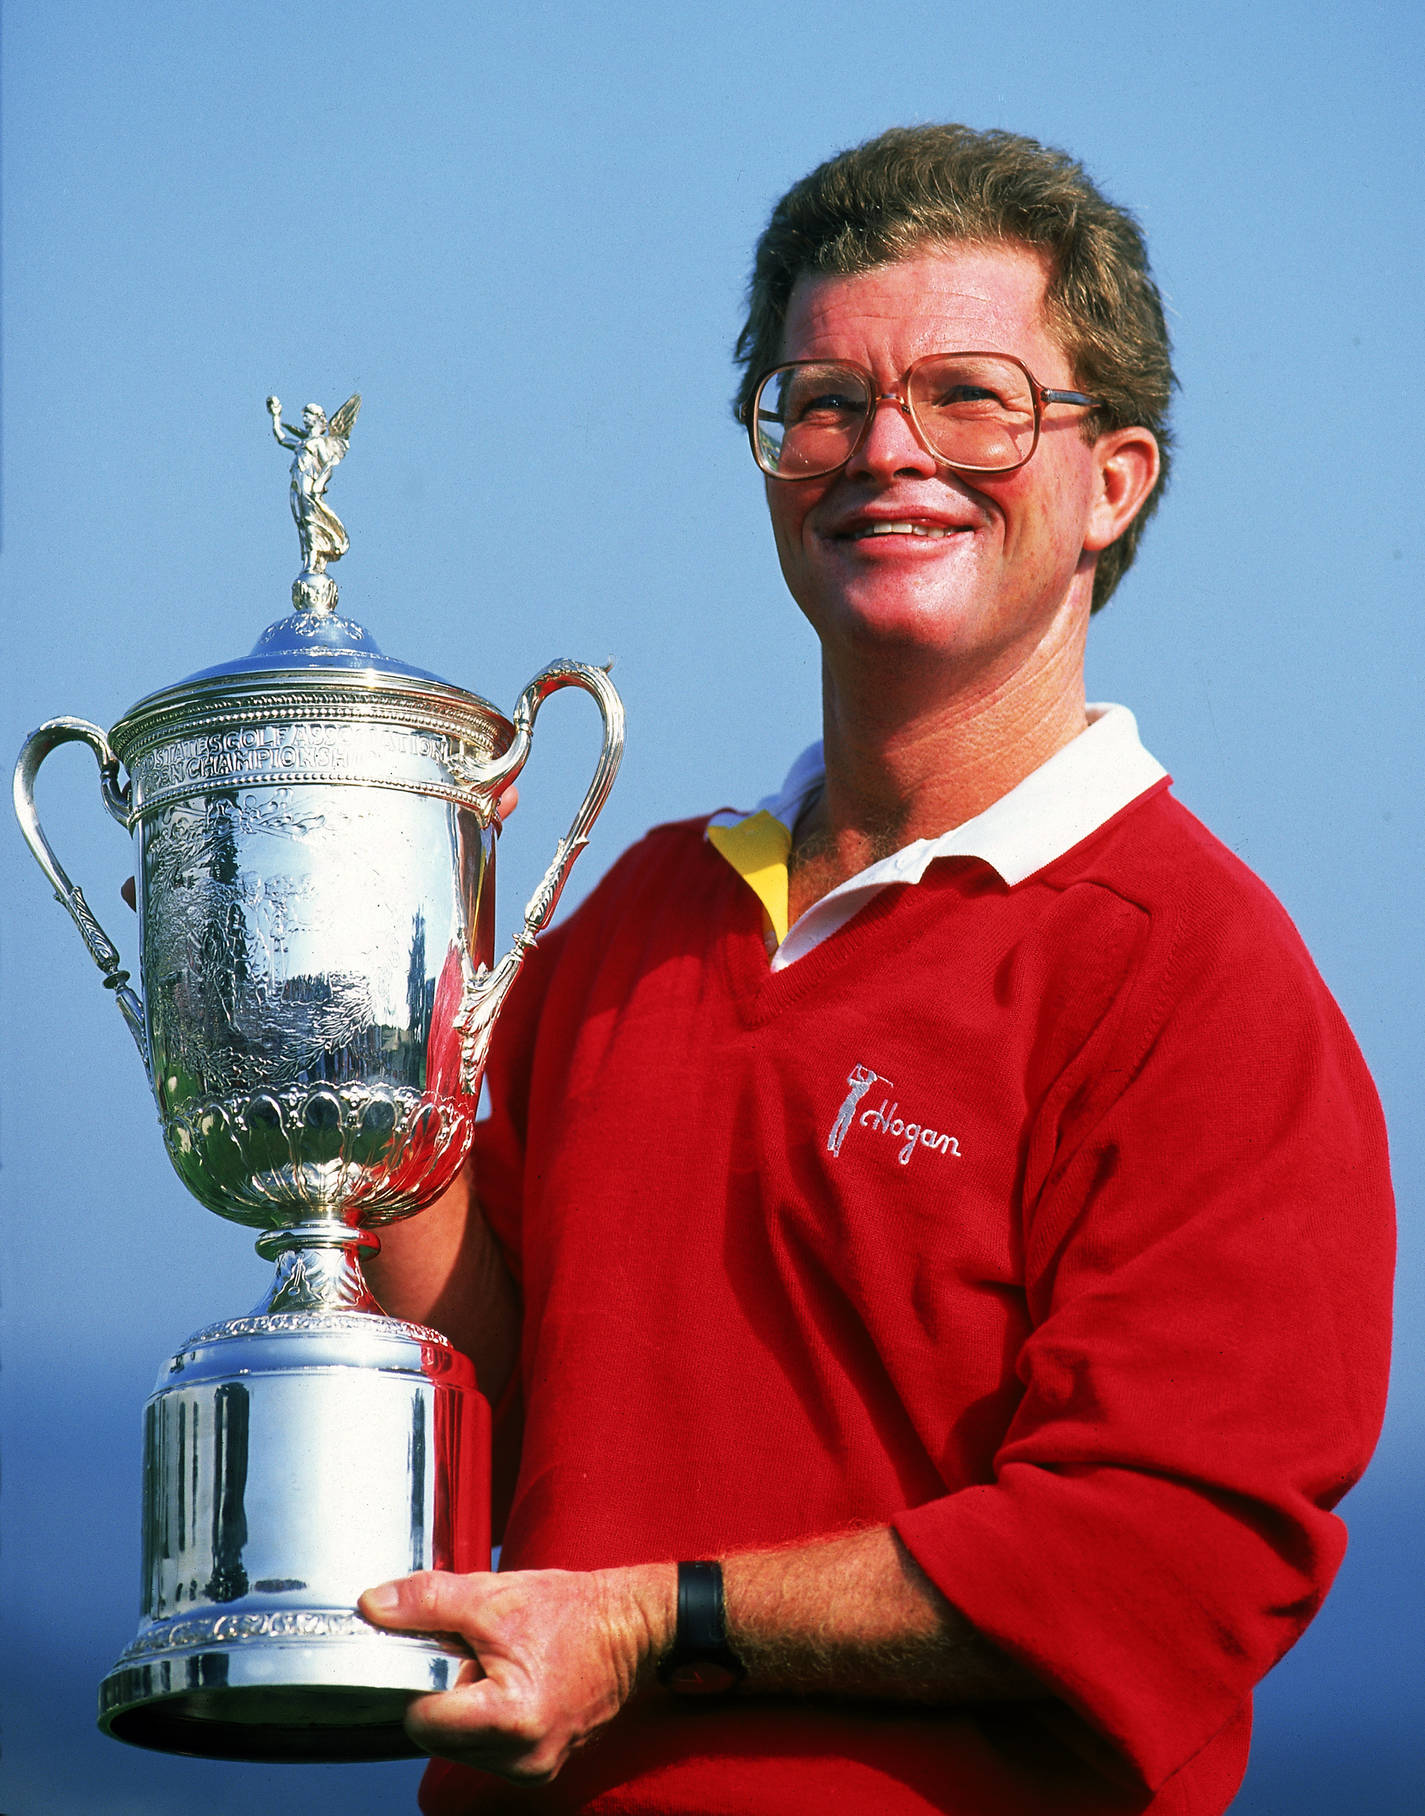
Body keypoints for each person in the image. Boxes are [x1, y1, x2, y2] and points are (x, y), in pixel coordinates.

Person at [360, 125, 1394, 1815]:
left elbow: (1164, 1559)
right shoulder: (642, 912)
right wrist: (342, 1070)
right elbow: (505, 1381)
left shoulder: (1199, 984)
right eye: (821, 399)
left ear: (1112, 480)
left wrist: (645, 1625)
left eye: (971, 396)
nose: (883, 451)